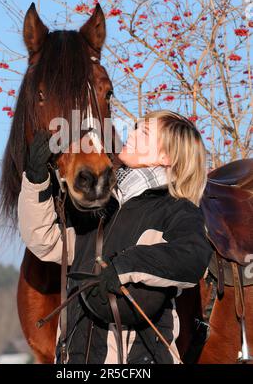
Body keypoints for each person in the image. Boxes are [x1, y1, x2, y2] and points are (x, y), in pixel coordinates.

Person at [18, 109, 213, 364]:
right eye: (133, 127)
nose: (129, 134)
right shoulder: (103, 207)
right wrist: (35, 180)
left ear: (166, 156)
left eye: (142, 132)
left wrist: (124, 266)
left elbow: (194, 257)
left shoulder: (176, 209)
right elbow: (45, 240)